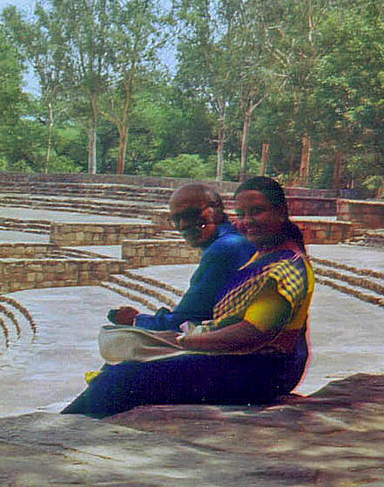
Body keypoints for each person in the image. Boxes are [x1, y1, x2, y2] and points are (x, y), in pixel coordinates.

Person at [62, 176, 314, 418]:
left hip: (261, 370)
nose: (248, 221)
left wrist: (184, 342)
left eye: (257, 211)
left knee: (122, 378)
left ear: (281, 212)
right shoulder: (263, 252)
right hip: (257, 363)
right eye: (242, 214)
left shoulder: (280, 266)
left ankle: (63, 429)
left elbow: (252, 333)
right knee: (125, 368)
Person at [107, 183, 256, 330]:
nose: (183, 225)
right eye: (176, 219)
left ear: (216, 210)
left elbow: (183, 321)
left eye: (191, 214)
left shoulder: (225, 248)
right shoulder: (232, 240)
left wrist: (136, 320)